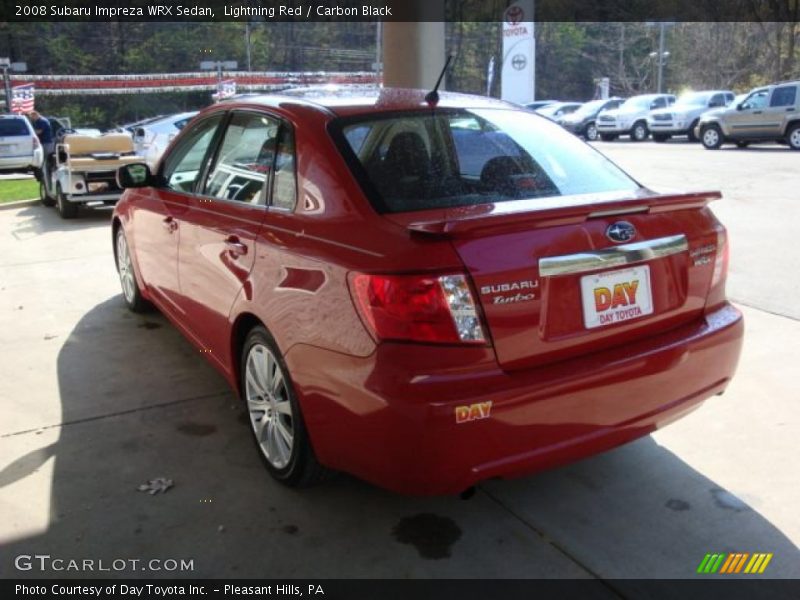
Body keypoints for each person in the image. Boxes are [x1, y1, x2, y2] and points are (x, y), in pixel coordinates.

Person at [28, 110, 54, 180]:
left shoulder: (42, 121)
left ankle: (49, 175)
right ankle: (44, 175)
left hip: (47, 142)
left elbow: (39, 131)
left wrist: (31, 133)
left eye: (32, 117)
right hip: (43, 142)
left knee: (47, 159)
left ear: (35, 115)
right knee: (43, 159)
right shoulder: (37, 121)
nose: (32, 118)